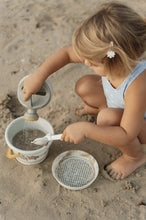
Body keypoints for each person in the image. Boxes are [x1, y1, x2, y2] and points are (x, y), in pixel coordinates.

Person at [22, 2, 146, 180]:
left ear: (116, 61)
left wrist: (87, 129)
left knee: (106, 119)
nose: (86, 63)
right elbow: (66, 54)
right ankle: (103, 109)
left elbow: (127, 134)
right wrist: (38, 76)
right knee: (84, 85)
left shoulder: (138, 86)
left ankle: (135, 157)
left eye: (93, 63)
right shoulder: (109, 56)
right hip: (121, 106)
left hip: (139, 125)